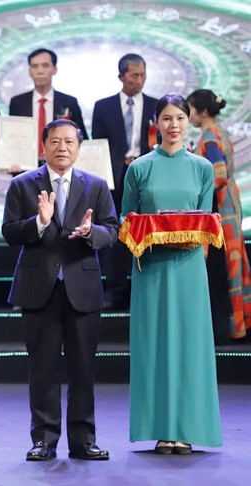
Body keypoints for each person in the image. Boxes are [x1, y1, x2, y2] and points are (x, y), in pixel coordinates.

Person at [2, 119, 117, 462]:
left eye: (69, 141)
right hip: (39, 289)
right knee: (43, 368)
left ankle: (83, 441)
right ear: (44, 146)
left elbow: (112, 230)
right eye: (55, 141)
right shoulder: (23, 185)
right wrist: (39, 222)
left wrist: (90, 231)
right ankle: (44, 440)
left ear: (79, 148)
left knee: (83, 368)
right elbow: (9, 231)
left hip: (81, 288)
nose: (62, 147)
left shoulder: (96, 185)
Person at [122, 94, 222, 454]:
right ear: (156, 122)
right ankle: (161, 428)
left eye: (180, 117)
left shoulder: (202, 168)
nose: (174, 125)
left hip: (190, 269)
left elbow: (205, 220)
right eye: (166, 118)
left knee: (190, 347)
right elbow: (125, 219)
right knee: (155, 345)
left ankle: (188, 428)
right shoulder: (139, 168)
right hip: (150, 268)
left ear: (188, 120)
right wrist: (141, 230)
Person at [92, 54, 158, 310]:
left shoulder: (155, 105)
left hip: (147, 177)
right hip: (115, 179)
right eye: (134, 75)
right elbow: (97, 146)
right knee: (115, 234)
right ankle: (114, 289)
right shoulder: (103, 106)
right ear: (121, 77)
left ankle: (147, 288)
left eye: (142, 75)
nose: (139, 80)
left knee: (147, 232)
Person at [187, 88, 251, 341]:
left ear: (202, 112)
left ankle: (228, 329)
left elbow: (219, 175)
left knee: (225, 269)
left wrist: (195, 190)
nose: (188, 115)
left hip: (221, 211)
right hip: (230, 207)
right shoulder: (218, 132)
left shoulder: (209, 136)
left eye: (190, 110)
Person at [9, 48, 88, 171]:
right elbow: (12, 137)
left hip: (61, 170)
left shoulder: (69, 102)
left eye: (45, 66)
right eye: (35, 66)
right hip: (25, 170)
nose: (40, 71)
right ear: (30, 71)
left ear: (54, 69)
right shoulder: (17, 102)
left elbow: (82, 139)